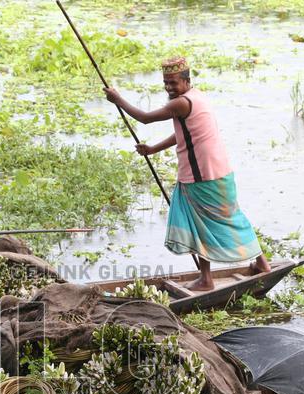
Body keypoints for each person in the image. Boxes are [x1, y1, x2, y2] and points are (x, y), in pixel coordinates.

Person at [104, 56, 271, 292]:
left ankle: (207, 279)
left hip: (202, 174)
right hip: (219, 170)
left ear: (186, 80)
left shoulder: (180, 103)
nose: (169, 88)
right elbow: (185, 132)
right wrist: (153, 149)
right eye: (166, 83)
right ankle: (260, 264)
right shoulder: (197, 97)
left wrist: (118, 99)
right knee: (229, 218)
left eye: (173, 83)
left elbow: (145, 118)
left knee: (200, 223)